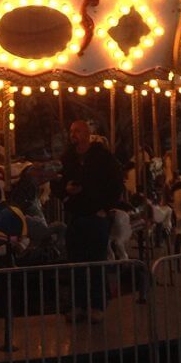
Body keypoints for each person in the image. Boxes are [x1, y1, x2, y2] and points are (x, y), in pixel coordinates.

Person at [59, 120, 124, 323]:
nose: (73, 135)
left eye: (77, 131)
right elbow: (58, 182)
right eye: (71, 131)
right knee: (75, 262)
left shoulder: (103, 157)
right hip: (76, 215)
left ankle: (97, 305)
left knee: (96, 261)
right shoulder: (67, 158)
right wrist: (65, 191)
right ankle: (77, 305)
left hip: (96, 215)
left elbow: (115, 184)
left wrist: (105, 209)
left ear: (88, 134)